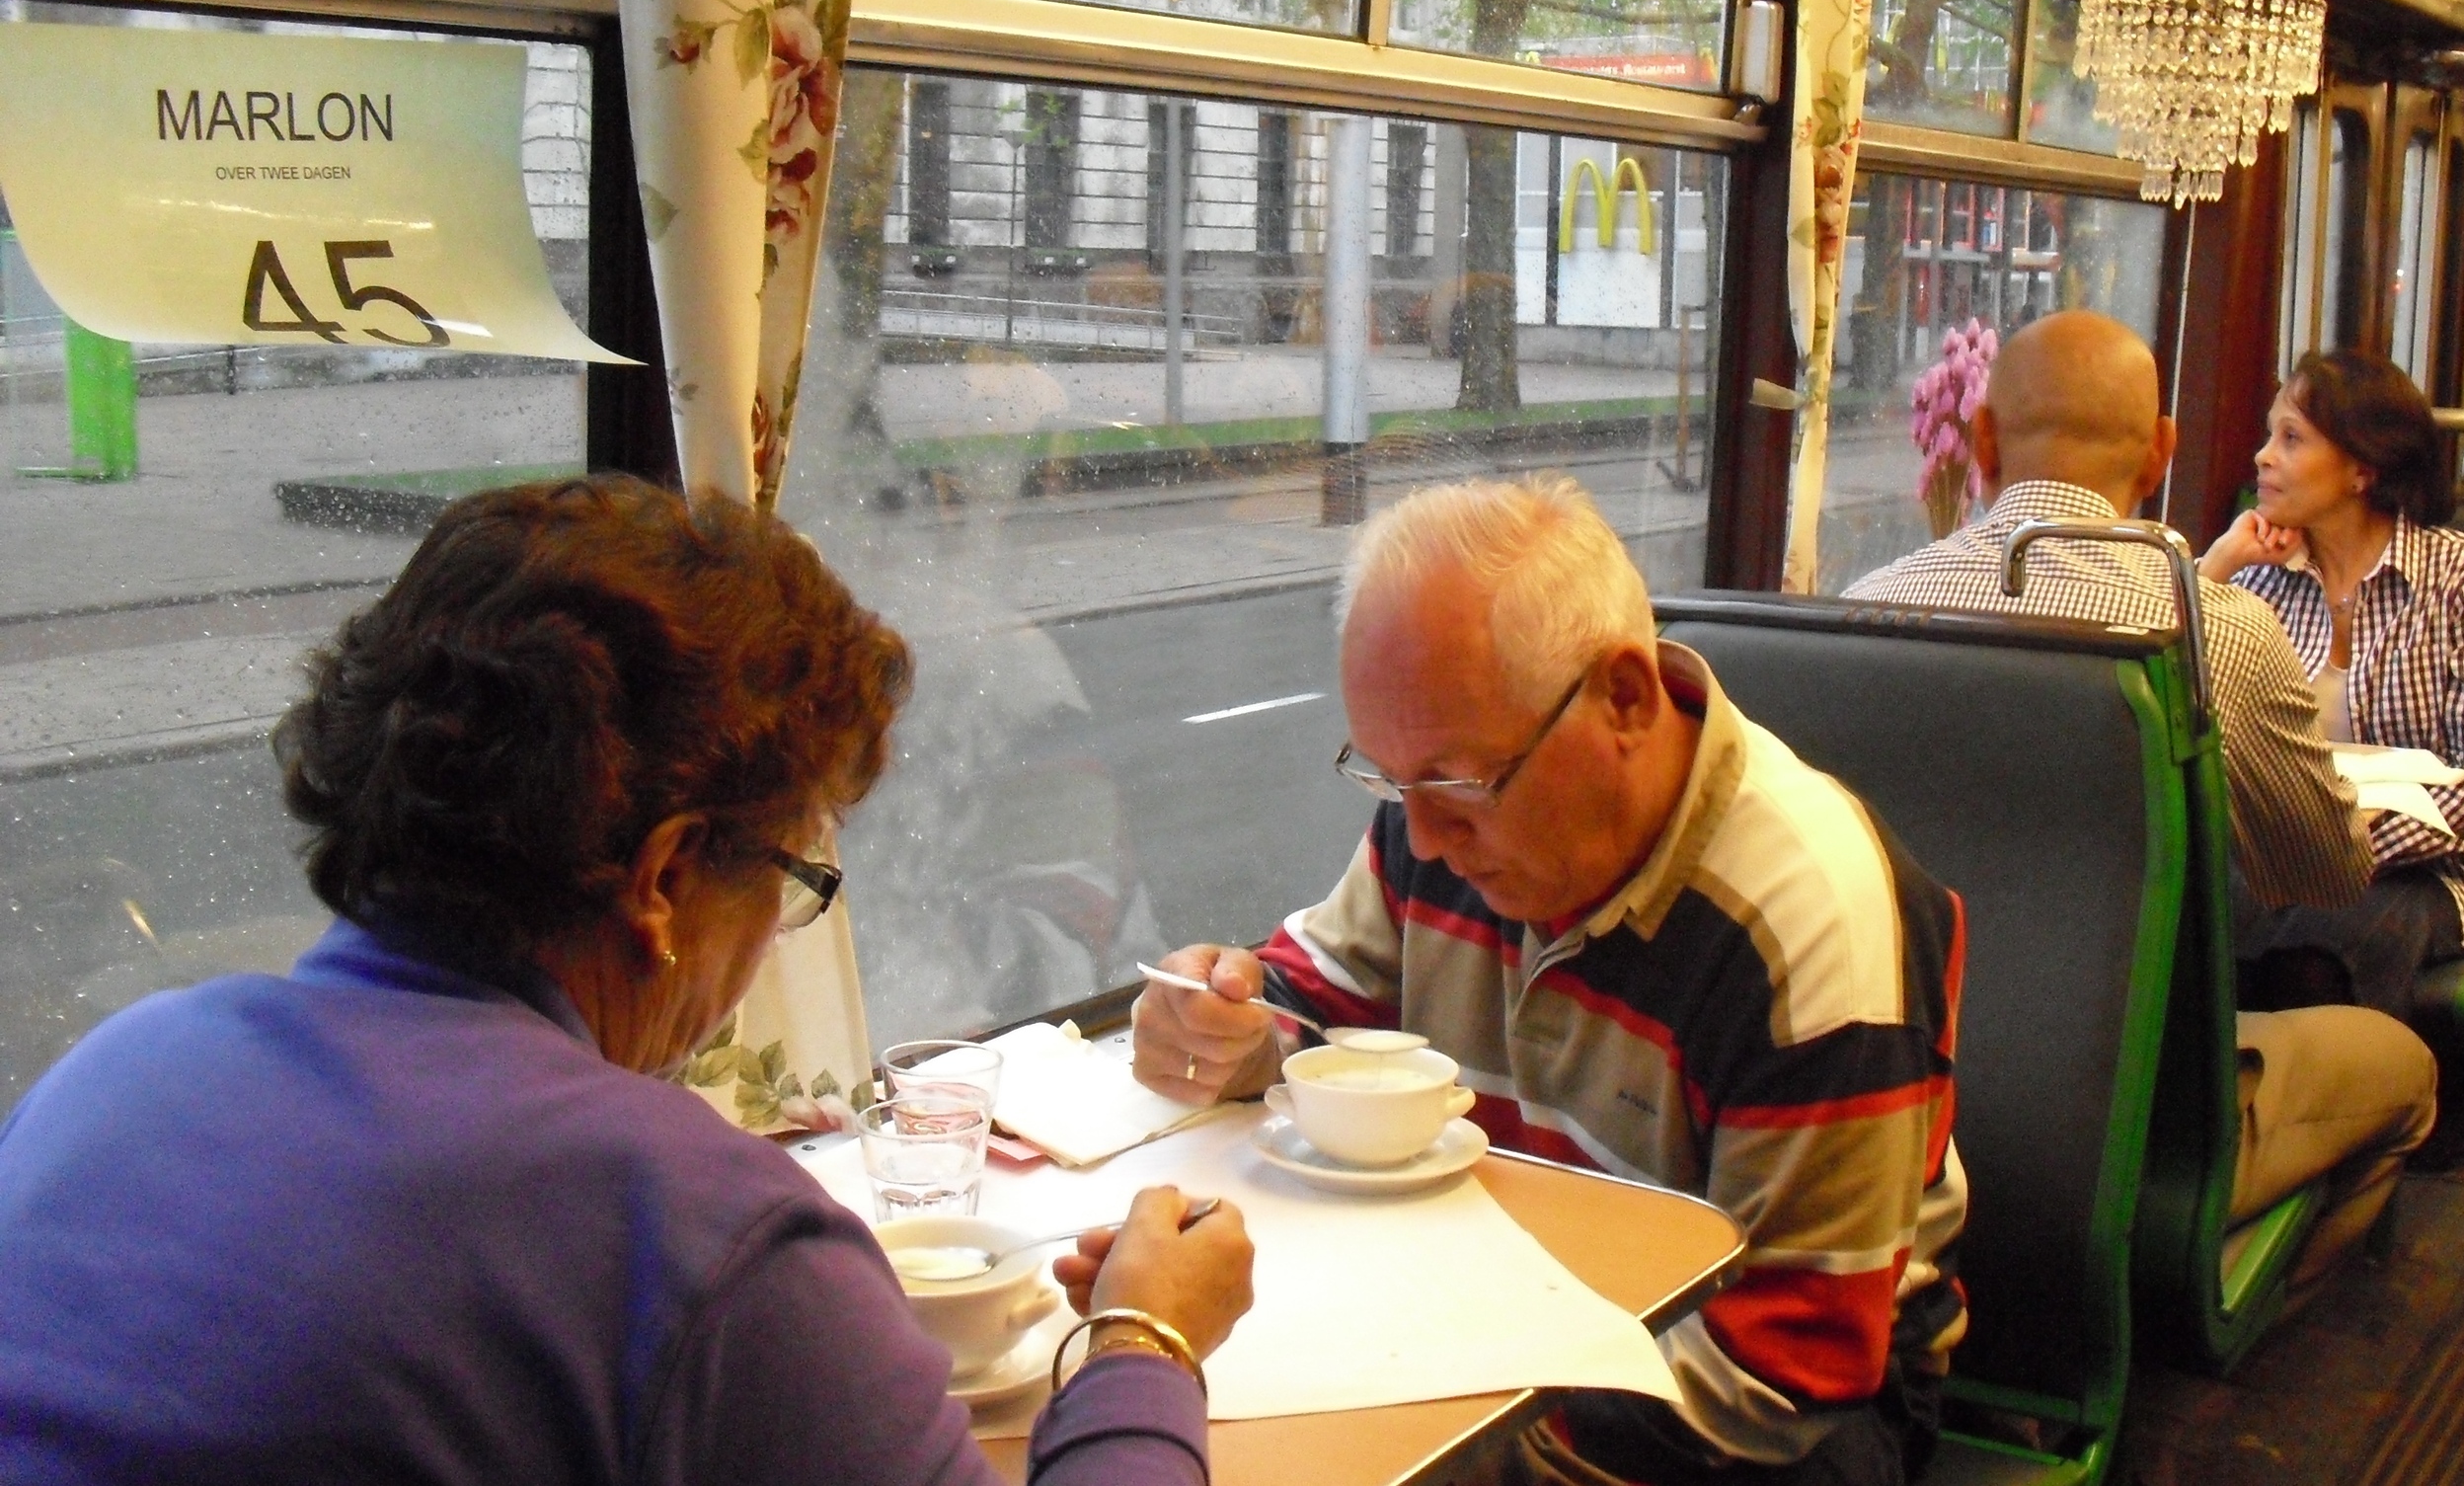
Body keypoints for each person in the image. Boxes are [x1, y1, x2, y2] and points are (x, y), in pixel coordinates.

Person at [0, 476, 1252, 1486]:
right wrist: (1144, 1344)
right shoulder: (699, 1238)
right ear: (662, 878)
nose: (775, 938)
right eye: (790, 877)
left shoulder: (110, 1076)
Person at [1135, 476, 1968, 1486]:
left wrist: (1442, 1455)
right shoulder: (1441, 821)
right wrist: (1228, 1029)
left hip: (1772, 1407)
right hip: (1514, 1303)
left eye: (1458, 783)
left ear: (1625, 699)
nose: (1422, 839)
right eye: (1391, 780)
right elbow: (1313, 1006)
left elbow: (1783, 1372)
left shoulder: (1804, 931)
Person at [1845, 310, 2432, 1287]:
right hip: (2133, 1108)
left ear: (1981, 441)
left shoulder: (1865, 606)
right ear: (2159, 453)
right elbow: (2325, 876)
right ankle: (2202, 1311)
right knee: (2404, 1069)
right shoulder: (2217, 632)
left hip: (1898, 1092)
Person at [2197, 349, 2464, 1027]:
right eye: (2269, 434)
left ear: (2362, 468)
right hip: (2276, 862)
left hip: (2426, 870)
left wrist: (2346, 850)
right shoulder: (2258, 575)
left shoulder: (2463, 577)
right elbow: (2189, 716)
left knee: (2322, 952)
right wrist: (2219, 564)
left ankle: (2337, 1091)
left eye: (2291, 438)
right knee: (2192, 926)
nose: (2263, 457)